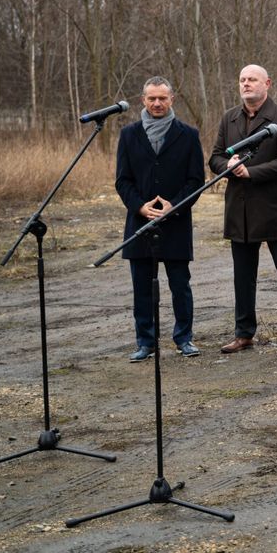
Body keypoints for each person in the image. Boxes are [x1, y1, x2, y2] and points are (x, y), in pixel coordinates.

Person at [209, 64, 277, 355]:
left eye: (252, 79)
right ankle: (244, 333)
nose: (246, 84)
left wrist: (250, 172)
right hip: (239, 209)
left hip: (273, 207)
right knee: (243, 275)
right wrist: (228, 167)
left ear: (267, 83)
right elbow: (215, 158)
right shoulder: (229, 118)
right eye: (242, 80)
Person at [115, 76, 205, 362]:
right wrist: (140, 207)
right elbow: (122, 180)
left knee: (180, 286)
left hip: (175, 223)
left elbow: (196, 181)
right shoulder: (129, 135)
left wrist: (174, 206)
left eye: (162, 98)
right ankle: (146, 341)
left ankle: (184, 339)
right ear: (143, 100)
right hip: (140, 224)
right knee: (142, 287)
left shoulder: (188, 135)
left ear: (171, 99)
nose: (157, 103)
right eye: (152, 98)